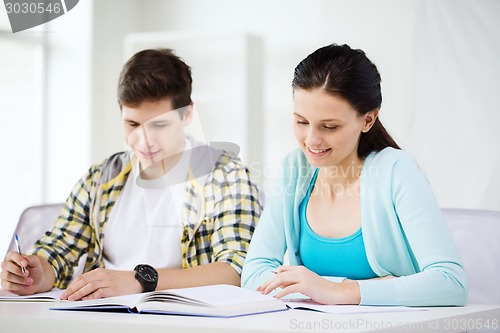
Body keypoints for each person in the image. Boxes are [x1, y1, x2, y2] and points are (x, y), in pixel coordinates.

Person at [1, 48, 262, 301]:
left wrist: (140, 280)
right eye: (132, 124)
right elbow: (57, 251)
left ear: (187, 114)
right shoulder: (100, 178)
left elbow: (235, 270)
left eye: (159, 125)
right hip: (105, 318)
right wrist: (36, 273)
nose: (144, 140)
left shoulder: (227, 175)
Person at [241, 44, 467, 306]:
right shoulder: (295, 169)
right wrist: (335, 288)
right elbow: (253, 273)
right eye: (302, 122)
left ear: (368, 120)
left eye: (329, 126)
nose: (311, 140)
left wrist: (339, 291)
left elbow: (452, 283)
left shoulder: (396, 170)